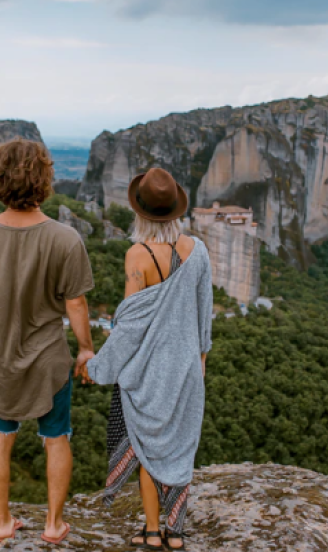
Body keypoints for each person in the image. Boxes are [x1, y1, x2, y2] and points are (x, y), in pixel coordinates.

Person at [0, 138, 95, 545]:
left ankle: (3, 523)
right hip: (49, 360)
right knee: (56, 438)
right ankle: (53, 525)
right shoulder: (65, 238)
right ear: (44, 180)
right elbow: (75, 303)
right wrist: (86, 348)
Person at [80, 167, 214, 551]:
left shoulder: (137, 255)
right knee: (179, 448)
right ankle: (176, 532)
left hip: (148, 372)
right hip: (187, 369)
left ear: (140, 211)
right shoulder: (198, 251)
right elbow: (205, 316)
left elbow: (129, 328)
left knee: (146, 451)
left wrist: (97, 367)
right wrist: (200, 362)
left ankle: (153, 531)